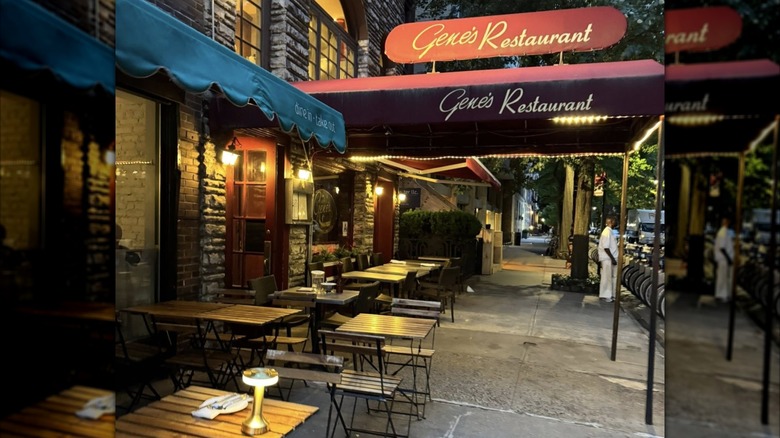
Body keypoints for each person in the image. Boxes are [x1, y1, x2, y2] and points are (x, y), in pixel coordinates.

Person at [597, 216, 619, 303]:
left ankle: (612, 294)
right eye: (615, 220)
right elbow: (606, 247)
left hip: (610, 258)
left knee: (613, 277)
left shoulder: (610, 231)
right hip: (607, 258)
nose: (617, 222)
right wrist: (612, 258)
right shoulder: (607, 232)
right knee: (607, 277)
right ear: (612, 221)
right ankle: (606, 295)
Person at [713, 215, 735, 303]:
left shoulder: (724, 231)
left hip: (723, 258)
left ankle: (722, 294)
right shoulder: (723, 232)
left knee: (723, 277)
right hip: (723, 259)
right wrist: (729, 259)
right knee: (723, 277)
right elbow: (722, 247)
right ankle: (722, 295)